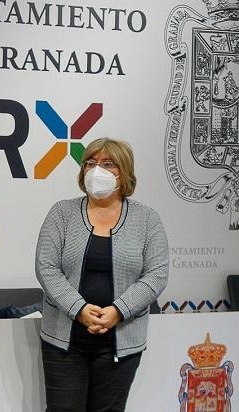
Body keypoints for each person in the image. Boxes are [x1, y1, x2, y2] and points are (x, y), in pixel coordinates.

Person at [35, 137, 169, 412]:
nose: (98, 170)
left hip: (120, 343)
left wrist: (118, 310)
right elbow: (46, 267)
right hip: (64, 342)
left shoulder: (147, 219)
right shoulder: (62, 212)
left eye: (108, 164)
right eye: (91, 163)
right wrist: (79, 309)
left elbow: (156, 274)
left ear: (125, 173)